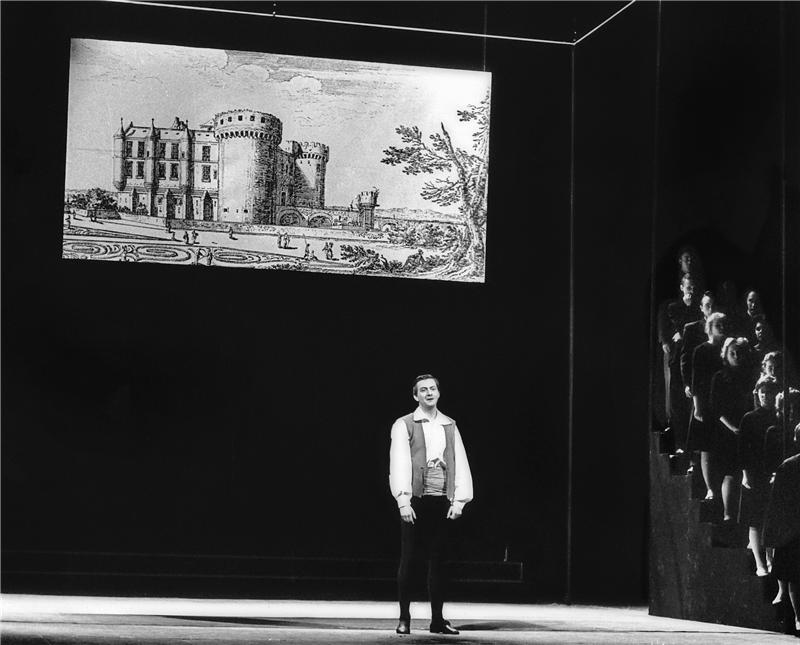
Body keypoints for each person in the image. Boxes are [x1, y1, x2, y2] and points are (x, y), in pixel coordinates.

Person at [389, 374, 473, 636]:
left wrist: (459, 500)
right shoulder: (405, 424)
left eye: (432, 388)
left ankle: (437, 619)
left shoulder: (449, 425)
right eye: (423, 390)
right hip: (416, 498)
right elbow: (399, 461)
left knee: (439, 561)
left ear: (438, 392)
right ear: (415, 395)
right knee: (409, 559)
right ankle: (404, 618)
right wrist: (403, 500)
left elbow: (459, 461)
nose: (429, 393)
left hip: (441, 498)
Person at [709, 337, 757, 522]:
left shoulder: (750, 377)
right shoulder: (719, 377)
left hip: (748, 429)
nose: (736, 356)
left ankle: (743, 517)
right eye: (732, 353)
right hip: (727, 431)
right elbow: (716, 408)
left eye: (739, 353)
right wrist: (733, 428)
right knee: (730, 472)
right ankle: (728, 516)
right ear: (726, 355)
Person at [739, 377, 781, 576]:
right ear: (757, 394)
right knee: (755, 520)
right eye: (762, 392)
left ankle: (772, 560)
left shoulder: (779, 418)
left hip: (774, 474)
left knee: (771, 519)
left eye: (769, 392)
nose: (766, 396)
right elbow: (742, 450)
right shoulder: (749, 418)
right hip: (754, 474)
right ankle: (760, 563)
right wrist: (746, 475)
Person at [657, 274, 701, 451]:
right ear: (682, 288)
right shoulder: (673, 307)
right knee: (677, 402)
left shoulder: (698, 307)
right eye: (688, 287)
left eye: (693, 288)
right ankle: (679, 443)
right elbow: (677, 329)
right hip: (677, 360)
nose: (691, 291)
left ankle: (692, 445)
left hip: (693, 360)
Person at [687, 312, 727, 499]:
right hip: (706, 403)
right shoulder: (701, 350)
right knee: (706, 447)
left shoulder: (729, 349)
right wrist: (698, 406)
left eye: (724, 325)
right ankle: (710, 488)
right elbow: (696, 380)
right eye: (718, 325)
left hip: (723, 403)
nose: (722, 328)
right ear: (709, 328)